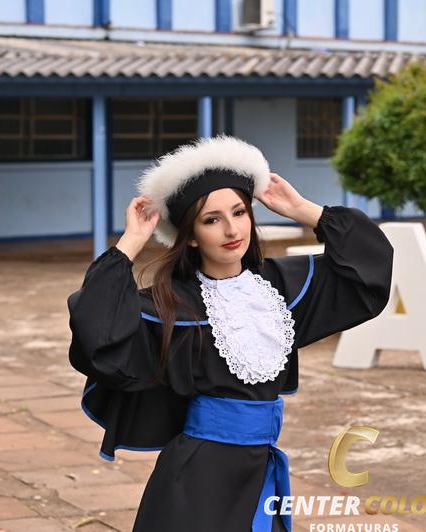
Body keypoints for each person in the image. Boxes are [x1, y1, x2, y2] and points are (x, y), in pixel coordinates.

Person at [66, 135, 394, 531]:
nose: (231, 229)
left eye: (239, 212)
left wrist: (302, 210)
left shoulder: (281, 289)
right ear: (190, 235)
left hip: (260, 468)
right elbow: (97, 332)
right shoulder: (172, 306)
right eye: (211, 220)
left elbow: (368, 271)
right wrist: (132, 241)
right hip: (197, 480)